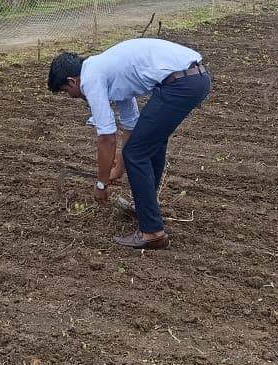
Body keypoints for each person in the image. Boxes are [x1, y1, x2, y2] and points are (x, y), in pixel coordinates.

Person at [47, 38, 212, 250]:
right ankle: (145, 209)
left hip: (179, 84)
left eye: (66, 92)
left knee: (137, 152)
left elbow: (106, 137)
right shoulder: (108, 70)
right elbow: (131, 126)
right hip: (195, 78)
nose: (71, 97)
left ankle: (152, 232)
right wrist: (118, 168)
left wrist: (102, 183)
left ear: (72, 81)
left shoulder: (91, 78)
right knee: (150, 144)